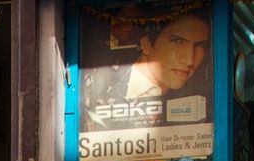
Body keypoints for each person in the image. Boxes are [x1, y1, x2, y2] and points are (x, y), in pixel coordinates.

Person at [82, 9, 211, 131]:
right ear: (146, 44)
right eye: (178, 41)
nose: (189, 60)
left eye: (200, 45)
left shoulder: (200, 97)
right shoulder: (98, 83)